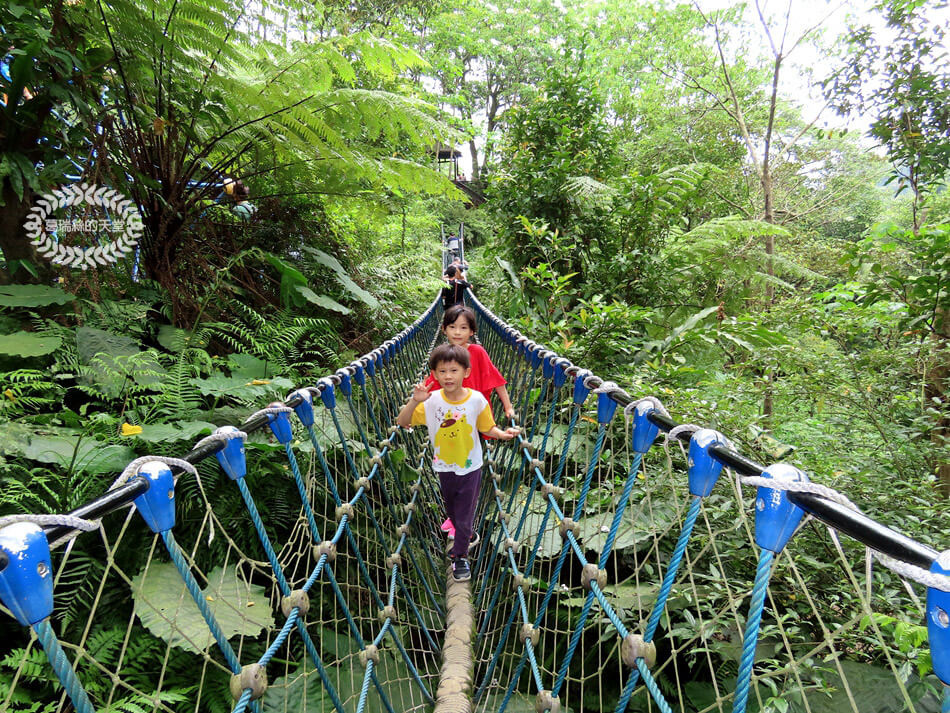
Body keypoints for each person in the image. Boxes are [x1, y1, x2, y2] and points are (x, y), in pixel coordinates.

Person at [397, 344, 519, 581]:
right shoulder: (431, 401)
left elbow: (487, 428)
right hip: (443, 467)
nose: (448, 376)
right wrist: (414, 401)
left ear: (466, 372)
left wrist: (502, 434)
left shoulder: (477, 400)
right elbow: (403, 421)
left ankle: (460, 556)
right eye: (442, 372)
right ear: (434, 374)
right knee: (452, 511)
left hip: (471, 466)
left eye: (454, 370)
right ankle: (465, 533)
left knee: (463, 517)